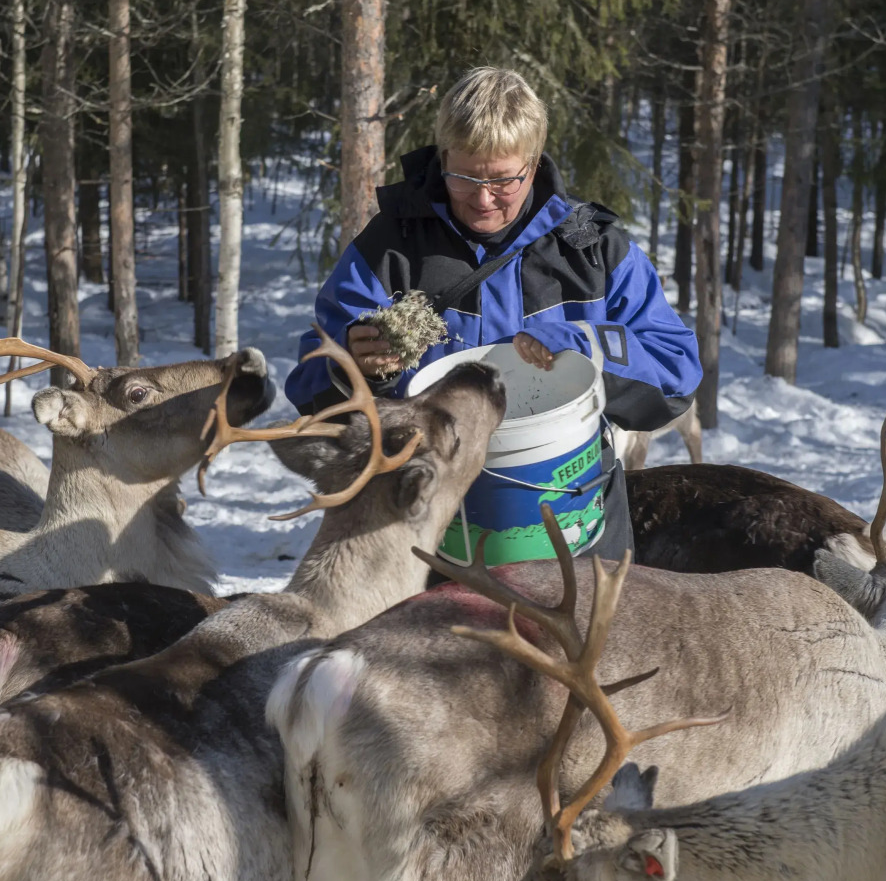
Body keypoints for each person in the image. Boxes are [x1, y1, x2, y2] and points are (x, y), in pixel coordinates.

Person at [284, 66, 701, 557]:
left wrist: (587, 347)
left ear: (533, 161)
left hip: (576, 520)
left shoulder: (593, 252)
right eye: (463, 177)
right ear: (443, 158)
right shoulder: (390, 250)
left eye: (503, 180)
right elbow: (311, 385)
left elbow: (676, 369)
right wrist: (353, 364)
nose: (482, 199)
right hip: (433, 528)